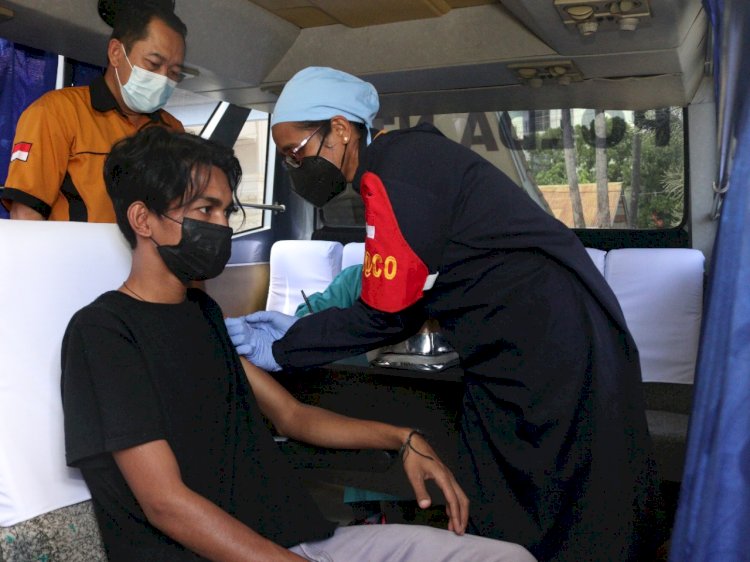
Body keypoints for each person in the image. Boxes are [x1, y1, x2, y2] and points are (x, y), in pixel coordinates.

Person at [225, 66, 665, 561]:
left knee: (569, 491)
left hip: (550, 346)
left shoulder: (396, 171)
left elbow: (387, 314)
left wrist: (285, 347)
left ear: (341, 129)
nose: (293, 166)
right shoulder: (406, 162)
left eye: (295, 152)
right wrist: (301, 331)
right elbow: (405, 302)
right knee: (518, 479)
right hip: (530, 344)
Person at [60, 126, 534, 562]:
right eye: (206, 210)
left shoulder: (201, 314)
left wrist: (403, 437)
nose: (222, 226)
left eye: (227, 211)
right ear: (143, 218)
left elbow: (293, 416)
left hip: (295, 539)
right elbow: (166, 504)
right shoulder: (104, 333)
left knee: (509, 558)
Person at [1, 2, 185, 221]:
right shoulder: (56, 113)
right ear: (116, 53)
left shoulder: (173, 130)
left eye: (174, 73)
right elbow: (26, 214)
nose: (163, 78)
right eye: (154, 64)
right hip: (74, 254)